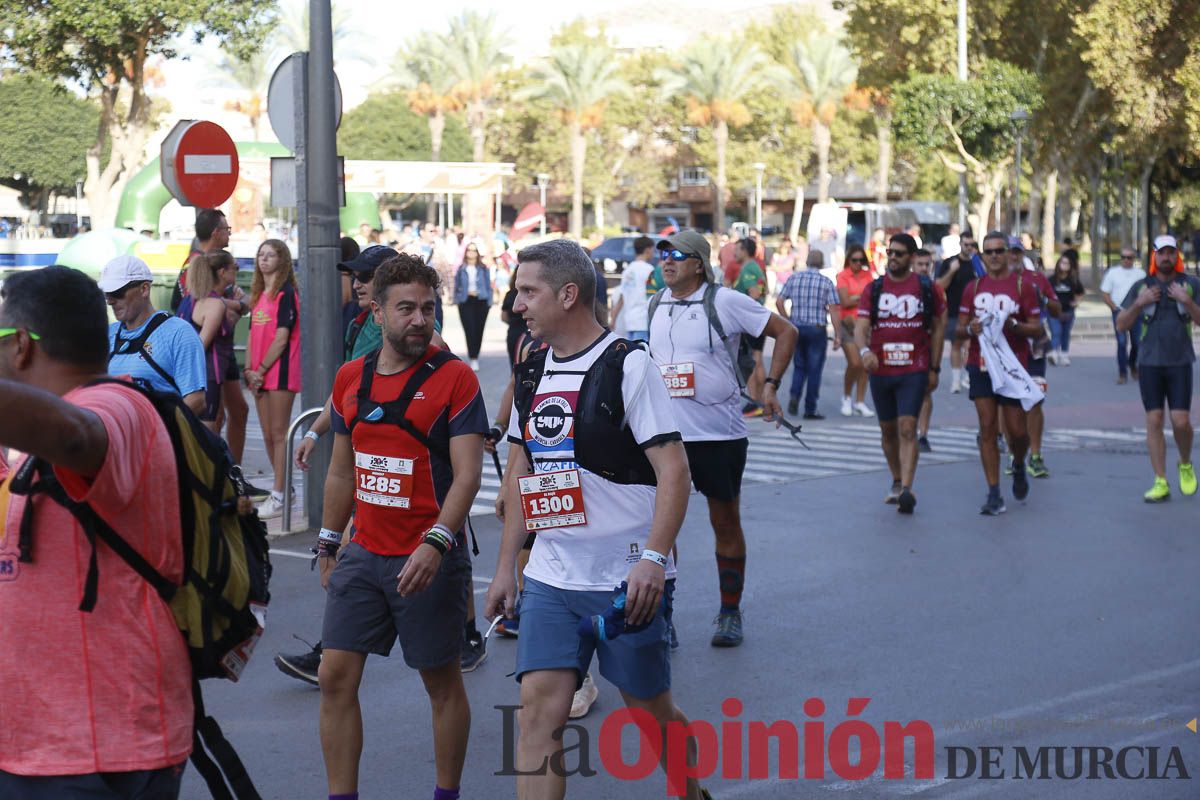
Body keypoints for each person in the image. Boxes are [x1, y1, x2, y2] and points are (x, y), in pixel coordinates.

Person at [484, 239, 711, 800]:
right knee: (538, 713)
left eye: (528, 292)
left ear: (568, 294)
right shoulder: (531, 372)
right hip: (553, 577)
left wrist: (655, 560)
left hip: (626, 580)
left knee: (651, 711)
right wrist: (507, 567)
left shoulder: (628, 365)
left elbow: (675, 473)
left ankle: (690, 790)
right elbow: (520, 476)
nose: (517, 305)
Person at [0, 266, 193, 798]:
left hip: (100, 753)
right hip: (33, 743)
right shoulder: (24, 435)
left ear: (19, 345)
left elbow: (78, 436)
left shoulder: (118, 406)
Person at [314, 253, 486, 800]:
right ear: (378, 313)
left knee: (440, 682)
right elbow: (343, 469)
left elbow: (467, 477)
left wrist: (436, 545)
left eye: (428, 308)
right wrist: (326, 540)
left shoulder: (455, 378)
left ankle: (446, 793)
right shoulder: (350, 378)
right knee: (334, 677)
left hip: (428, 557)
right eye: (406, 308)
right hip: (363, 553)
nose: (419, 319)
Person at [649, 230, 796, 646]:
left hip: (717, 435)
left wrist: (770, 386)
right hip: (665, 438)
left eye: (677, 254)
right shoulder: (656, 304)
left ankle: (730, 611)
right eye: (664, 254)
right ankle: (663, 617)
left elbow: (786, 332)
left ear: (699, 263)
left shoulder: (725, 301)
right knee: (660, 529)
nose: (667, 260)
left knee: (724, 521)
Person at [854, 235, 946, 512]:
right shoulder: (875, 288)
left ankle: (906, 488)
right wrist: (864, 352)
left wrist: (934, 367)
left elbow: (939, 327)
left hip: (914, 368)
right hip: (880, 369)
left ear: (911, 257)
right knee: (888, 430)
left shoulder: (927, 288)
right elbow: (860, 327)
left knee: (908, 428)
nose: (893, 257)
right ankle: (895, 479)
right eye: (890, 252)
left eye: (900, 253)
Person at [957, 231, 1044, 516]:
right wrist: (972, 328)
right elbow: (958, 328)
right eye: (989, 252)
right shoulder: (974, 287)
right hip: (980, 363)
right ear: (982, 256)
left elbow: (1038, 328)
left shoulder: (1023, 286)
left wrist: (1014, 326)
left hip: (1012, 366)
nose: (994, 256)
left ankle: (1019, 463)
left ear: (1008, 253)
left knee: (1018, 431)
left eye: (999, 251)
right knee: (987, 428)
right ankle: (994, 492)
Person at [1115, 235, 1200, 502]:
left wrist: (1186, 301)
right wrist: (1140, 303)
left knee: (1181, 421)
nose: (1166, 257)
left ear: (1177, 256)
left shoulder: (1191, 284)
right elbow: (1121, 325)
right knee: (1154, 421)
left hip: (1180, 361)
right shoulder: (1141, 286)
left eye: (1171, 253)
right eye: (1161, 253)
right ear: (1154, 256)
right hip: (1149, 362)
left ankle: (1184, 462)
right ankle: (1160, 480)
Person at [100, 255, 207, 417]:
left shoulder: (179, 333)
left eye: (118, 292)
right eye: (107, 294)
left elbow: (196, 401)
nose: (110, 301)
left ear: (144, 289)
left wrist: (155, 432)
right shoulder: (107, 334)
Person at [245, 239, 302, 519]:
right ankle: (284, 488)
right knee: (268, 434)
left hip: (278, 372)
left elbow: (281, 338)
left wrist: (262, 368)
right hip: (258, 375)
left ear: (282, 260)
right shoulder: (258, 295)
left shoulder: (286, 293)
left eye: (270, 255)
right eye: (261, 254)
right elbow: (252, 334)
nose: (264, 259)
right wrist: (249, 369)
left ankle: (279, 494)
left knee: (280, 434)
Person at [1007, 238, 1061, 480]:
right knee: (1008, 404)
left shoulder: (1037, 278)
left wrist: (1045, 299)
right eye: (1008, 252)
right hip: (1005, 351)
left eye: (1016, 252)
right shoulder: (993, 282)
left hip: (1034, 349)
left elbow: (1057, 309)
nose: (1012, 256)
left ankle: (1036, 456)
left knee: (1035, 400)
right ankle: (1013, 455)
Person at [176, 251, 240, 430]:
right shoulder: (214, 304)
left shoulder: (189, 300)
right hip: (206, 377)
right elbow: (199, 345)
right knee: (206, 435)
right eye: (235, 267)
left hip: (190, 376)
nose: (237, 271)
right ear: (222, 272)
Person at [776, 249, 841, 419]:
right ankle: (810, 408)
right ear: (821, 264)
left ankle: (794, 395)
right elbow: (834, 310)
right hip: (817, 329)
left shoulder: (794, 278)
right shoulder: (826, 282)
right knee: (814, 370)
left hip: (797, 328)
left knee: (799, 366)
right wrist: (838, 335)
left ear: (807, 262)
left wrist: (787, 321)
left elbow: (779, 301)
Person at [935, 230, 981, 393]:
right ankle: (956, 380)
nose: (968, 248)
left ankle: (968, 376)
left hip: (976, 312)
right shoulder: (950, 263)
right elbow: (939, 286)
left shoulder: (978, 262)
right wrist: (952, 271)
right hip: (955, 311)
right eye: (966, 244)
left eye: (971, 245)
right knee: (956, 344)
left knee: (971, 345)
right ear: (960, 244)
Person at [836, 243, 876, 417]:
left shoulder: (868, 275)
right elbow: (845, 302)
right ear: (848, 260)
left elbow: (873, 297)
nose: (858, 264)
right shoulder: (843, 276)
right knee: (854, 363)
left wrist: (856, 298)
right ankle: (846, 397)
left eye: (861, 260)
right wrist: (863, 297)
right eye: (854, 260)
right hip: (848, 323)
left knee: (865, 364)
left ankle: (859, 401)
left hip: (866, 323)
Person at [733, 237, 770, 416]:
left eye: (737, 249)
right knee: (757, 359)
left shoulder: (748, 268)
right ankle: (760, 401)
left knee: (752, 361)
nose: (734, 252)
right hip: (755, 321)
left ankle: (755, 401)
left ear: (745, 250)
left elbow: (754, 294)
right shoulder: (755, 266)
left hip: (749, 321)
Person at [911, 248, 941, 452]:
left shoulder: (934, 288)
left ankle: (923, 435)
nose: (923, 268)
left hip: (925, 347)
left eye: (926, 265)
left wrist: (935, 367)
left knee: (925, 393)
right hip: (903, 348)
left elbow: (940, 327)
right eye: (920, 264)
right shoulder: (901, 286)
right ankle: (907, 431)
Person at [1101, 247, 1146, 384]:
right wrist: (1115, 309)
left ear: (1134, 259)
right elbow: (1105, 293)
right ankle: (1122, 373)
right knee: (1121, 343)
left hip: (1136, 312)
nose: (1126, 260)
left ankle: (1132, 364)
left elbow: (1145, 292)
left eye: (1129, 257)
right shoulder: (1113, 273)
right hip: (1119, 312)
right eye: (1123, 257)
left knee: (1137, 343)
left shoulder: (1140, 274)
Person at [453, 242, 492, 370]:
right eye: (469, 250)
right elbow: (456, 286)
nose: (472, 252)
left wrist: (489, 302)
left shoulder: (483, 268)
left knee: (479, 330)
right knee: (469, 330)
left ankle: (476, 355)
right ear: (465, 252)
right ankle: (472, 357)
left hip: (481, 301)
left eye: (474, 250)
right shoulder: (461, 268)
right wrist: (457, 299)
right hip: (466, 301)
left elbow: (488, 285)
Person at [610, 236, 655, 341]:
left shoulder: (627, 271)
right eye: (653, 250)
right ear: (648, 250)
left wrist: (613, 319)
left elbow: (622, 298)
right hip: (644, 322)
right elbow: (653, 296)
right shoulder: (650, 270)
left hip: (629, 323)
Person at [1047, 252, 1085, 366]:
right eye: (1063, 263)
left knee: (1065, 333)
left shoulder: (1073, 280)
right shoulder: (1051, 279)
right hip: (1054, 311)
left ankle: (1064, 355)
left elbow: (1081, 292)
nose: (1065, 265)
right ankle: (1053, 353)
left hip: (1068, 311)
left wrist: (1077, 302)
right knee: (1056, 331)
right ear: (1058, 264)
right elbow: (1044, 293)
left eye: (1067, 263)